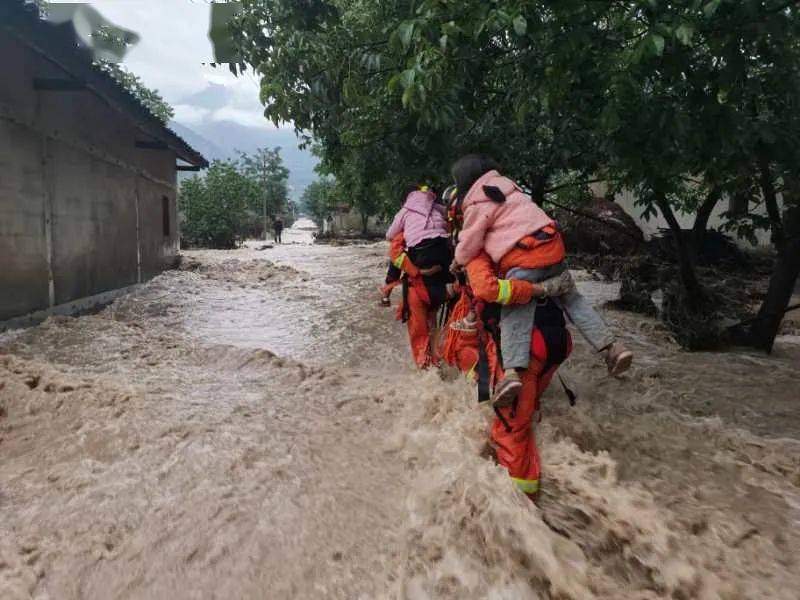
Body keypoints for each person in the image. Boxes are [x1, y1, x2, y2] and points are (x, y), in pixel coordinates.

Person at [447, 155, 633, 407]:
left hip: (523, 263)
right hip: (553, 251)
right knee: (574, 300)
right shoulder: (511, 190)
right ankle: (612, 347)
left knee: (515, 315)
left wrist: (459, 260)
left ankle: (511, 374)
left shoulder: (476, 204)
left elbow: (474, 259)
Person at [441, 250, 572, 500]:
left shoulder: (480, 252)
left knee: (510, 428)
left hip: (523, 347)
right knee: (526, 407)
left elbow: (488, 291)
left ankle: (521, 501)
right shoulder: (537, 248)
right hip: (556, 339)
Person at [380, 185, 451, 307]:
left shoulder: (405, 210)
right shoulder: (433, 205)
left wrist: (406, 232)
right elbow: (448, 213)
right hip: (444, 248)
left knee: (395, 250)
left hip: (421, 253)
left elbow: (389, 235)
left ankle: (386, 295)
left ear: (405, 200)